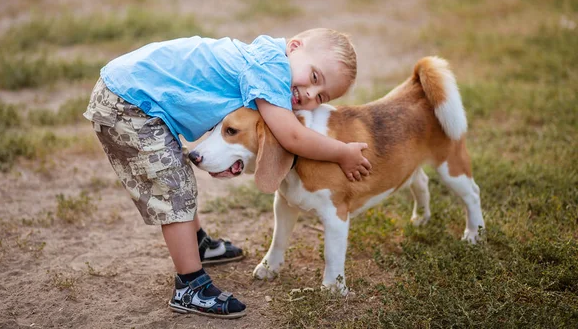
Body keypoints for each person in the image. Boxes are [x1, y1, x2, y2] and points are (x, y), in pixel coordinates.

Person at [83, 28, 372, 319]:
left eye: (321, 96)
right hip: (129, 104)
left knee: (178, 177)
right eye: (313, 78)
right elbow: (293, 137)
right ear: (294, 47)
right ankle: (189, 286)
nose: (310, 94)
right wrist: (341, 152)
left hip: (131, 91)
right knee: (173, 192)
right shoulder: (269, 72)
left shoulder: (267, 61)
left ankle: (198, 244)